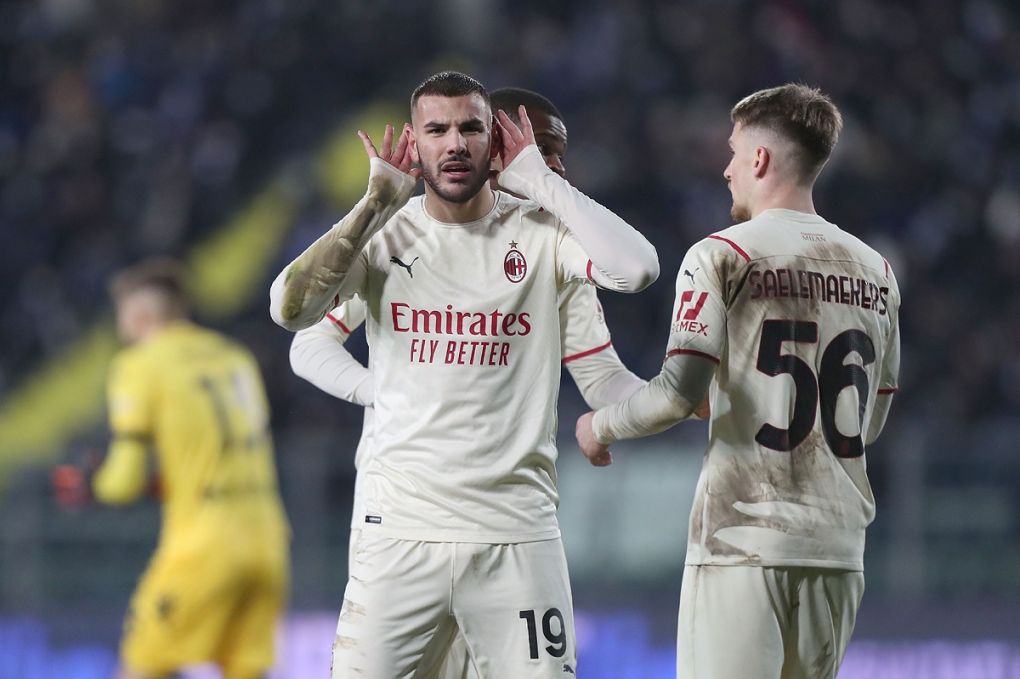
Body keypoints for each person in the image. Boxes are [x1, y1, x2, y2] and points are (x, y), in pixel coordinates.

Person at [269, 71, 658, 677]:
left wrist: (669, 399)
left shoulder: (552, 244)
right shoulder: (387, 237)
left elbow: (629, 294)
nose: (554, 169)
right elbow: (296, 325)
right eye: (537, 152)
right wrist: (387, 391)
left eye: (555, 155)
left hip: (516, 531)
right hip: (400, 525)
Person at [575, 84, 901, 679]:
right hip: (838, 550)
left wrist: (600, 424)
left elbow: (677, 395)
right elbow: (871, 419)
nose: (726, 169)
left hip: (743, 542)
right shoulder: (876, 271)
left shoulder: (721, 254)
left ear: (759, 159)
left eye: (732, 152)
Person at [93, 258, 290, 679]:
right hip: (267, 539)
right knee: (247, 671)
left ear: (141, 315)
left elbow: (122, 483)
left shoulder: (140, 364)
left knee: (142, 666)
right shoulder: (235, 356)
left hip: (204, 542)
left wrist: (96, 485)